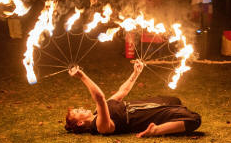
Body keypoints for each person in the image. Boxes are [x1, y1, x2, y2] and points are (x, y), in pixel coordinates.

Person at [65, 60, 201, 137]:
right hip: (144, 116)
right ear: (80, 123)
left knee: (174, 100)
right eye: (77, 112)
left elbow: (122, 91)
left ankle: (171, 121)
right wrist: (82, 77)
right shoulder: (100, 126)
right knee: (194, 119)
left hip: (140, 105)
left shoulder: (96, 112)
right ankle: (155, 130)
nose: (81, 108)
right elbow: (100, 97)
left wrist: (136, 73)